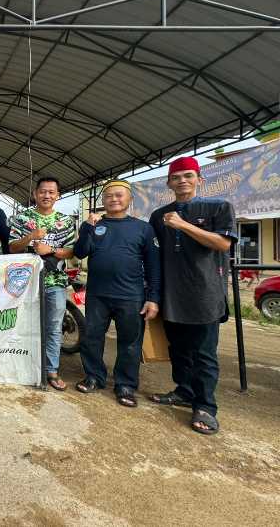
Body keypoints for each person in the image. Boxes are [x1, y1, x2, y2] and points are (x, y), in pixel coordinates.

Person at [149, 156, 236, 435]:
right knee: (178, 350)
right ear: (168, 183)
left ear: (200, 179)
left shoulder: (219, 207)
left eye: (188, 176)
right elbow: (153, 255)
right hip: (171, 295)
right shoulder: (159, 215)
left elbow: (222, 243)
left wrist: (183, 225)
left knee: (204, 354)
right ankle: (184, 391)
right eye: (176, 177)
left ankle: (206, 406)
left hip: (204, 294)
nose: (182, 181)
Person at [72, 180, 161, 407]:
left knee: (130, 342)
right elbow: (80, 252)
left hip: (131, 295)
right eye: (109, 196)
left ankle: (125, 385)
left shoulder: (143, 228)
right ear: (103, 200)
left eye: (119, 195)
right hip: (97, 294)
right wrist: (86, 227)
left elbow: (154, 266)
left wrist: (153, 298)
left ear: (130, 199)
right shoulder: (94, 225)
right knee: (92, 337)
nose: (113, 199)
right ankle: (94, 377)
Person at [9, 177, 75, 391]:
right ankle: (23, 366)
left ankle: (51, 371)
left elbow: (72, 251)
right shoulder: (21, 218)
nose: (47, 195)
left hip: (55, 282)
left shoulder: (66, 221)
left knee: (54, 327)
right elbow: (12, 247)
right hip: (25, 283)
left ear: (57, 196)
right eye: (43, 191)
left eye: (51, 192)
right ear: (35, 194)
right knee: (23, 325)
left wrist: (51, 250)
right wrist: (30, 237)